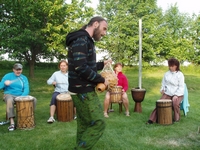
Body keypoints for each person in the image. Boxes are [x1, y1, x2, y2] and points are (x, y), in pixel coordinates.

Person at [66, 16, 111, 149]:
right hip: (83, 89)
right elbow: (80, 68)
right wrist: (102, 79)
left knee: (84, 124)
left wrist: (102, 64)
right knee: (99, 122)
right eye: (104, 29)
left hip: (79, 88)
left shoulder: (84, 39)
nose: (104, 33)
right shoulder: (81, 39)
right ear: (95, 24)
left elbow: (84, 64)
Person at [146, 58, 184, 124]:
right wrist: (162, 89)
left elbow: (181, 87)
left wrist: (176, 95)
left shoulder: (180, 74)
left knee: (175, 102)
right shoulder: (166, 74)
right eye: (170, 66)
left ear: (176, 66)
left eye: (172, 66)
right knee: (159, 103)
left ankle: (176, 118)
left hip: (178, 94)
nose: (171, 67)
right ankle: (151, 119)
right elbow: (163, 83)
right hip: (168, 93)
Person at [0, 63, 37, 131]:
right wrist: (4, 84)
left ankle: (28, 117)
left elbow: (26, 89)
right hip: (9, 94)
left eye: (19, 69)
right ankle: (12, 123)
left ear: (21, 70)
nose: (18, 71)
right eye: (17, 69)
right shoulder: (7, 76)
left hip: (20, 95)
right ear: (13, 70)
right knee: (9, 100)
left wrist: (21, 97)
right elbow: (0, 86)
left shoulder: (24, 78)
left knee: (34, 99)